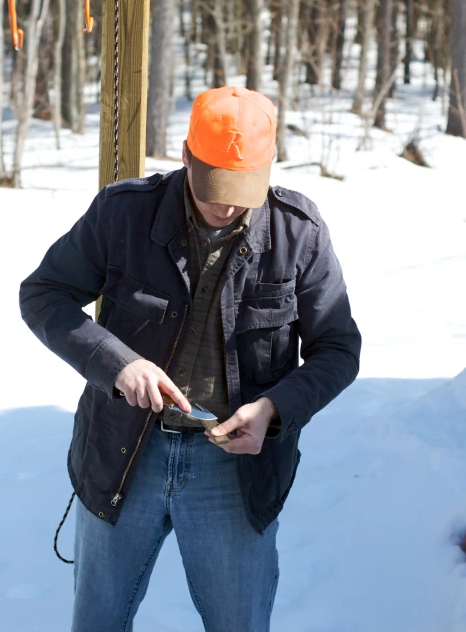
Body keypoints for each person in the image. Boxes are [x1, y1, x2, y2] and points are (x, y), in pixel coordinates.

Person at [19, 86, 361, 632]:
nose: (225, 205)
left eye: (242, 189)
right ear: (184, 155)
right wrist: (117, 363)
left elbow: (340, 349)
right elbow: (43, 295)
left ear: (269, 167)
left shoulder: (301, 232)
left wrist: (273, 408)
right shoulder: (122, 213)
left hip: (236, 469)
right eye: (214, 188)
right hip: (124, 456)